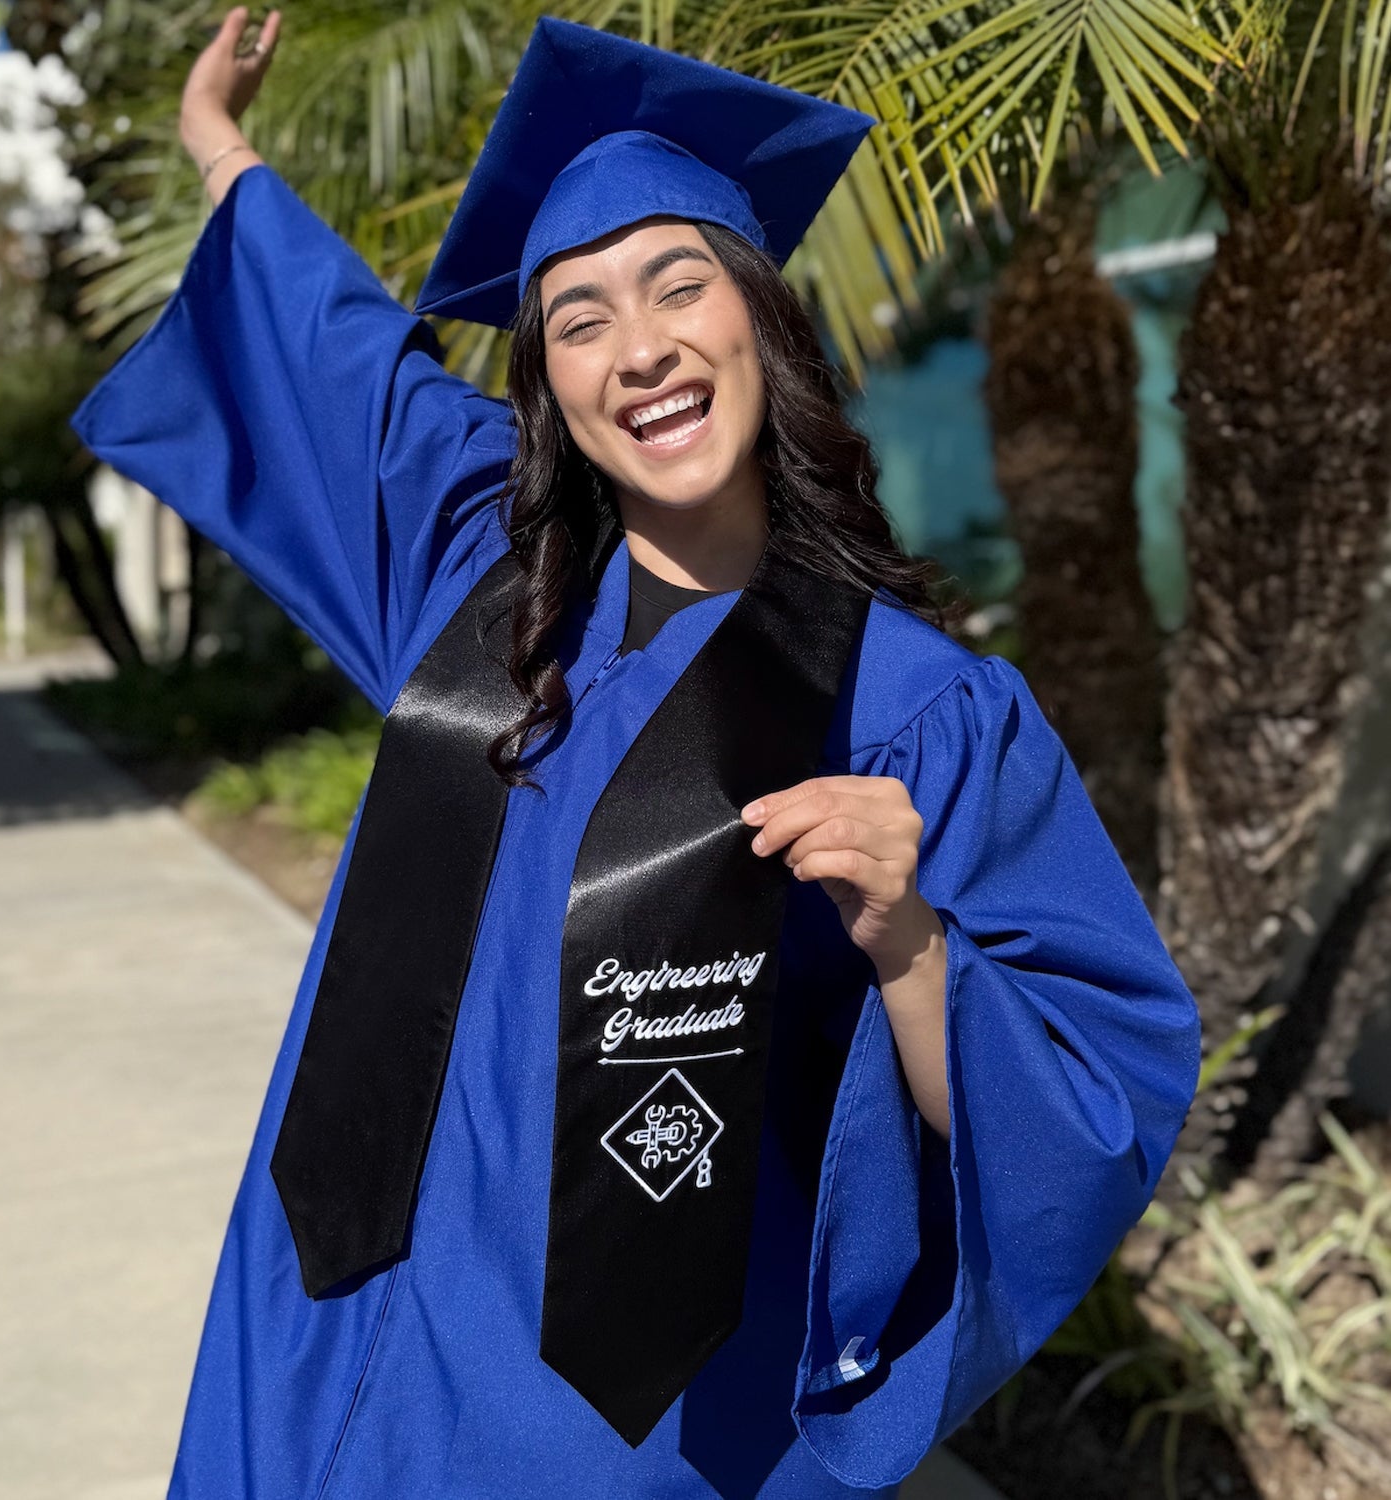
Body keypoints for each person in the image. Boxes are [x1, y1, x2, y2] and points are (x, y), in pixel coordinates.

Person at [71, 10, 1201, 1498]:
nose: (641, 348)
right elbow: (338, 361)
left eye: (681, 285)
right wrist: (222, 152)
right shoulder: (480, 573)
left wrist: (914, 945)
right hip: (311, 1346)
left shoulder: (915, 709)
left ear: (762, 318)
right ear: (548, 379)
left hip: (620, 1434)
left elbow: (1088, 1097)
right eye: (581, 318)